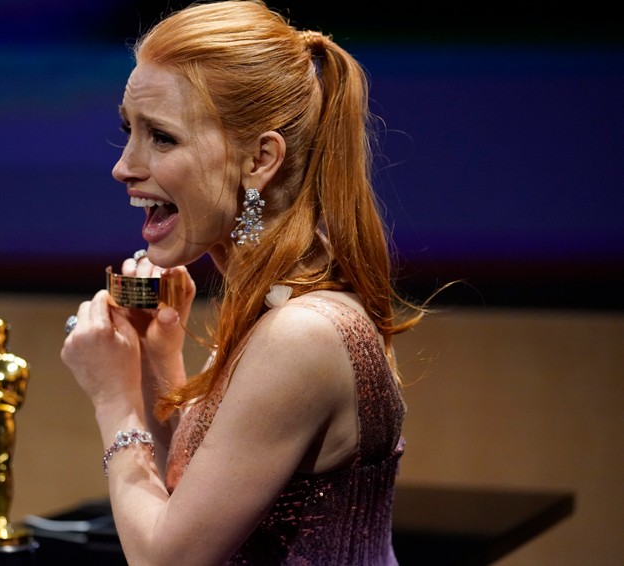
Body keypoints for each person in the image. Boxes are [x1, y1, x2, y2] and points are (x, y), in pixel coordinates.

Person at [60, 1, 430, 564]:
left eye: (162, 137)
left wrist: (114, 399)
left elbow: (168, 559)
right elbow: (198, 496)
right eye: (128, 130)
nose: (124, 166)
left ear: (259, 159)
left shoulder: (301, 334)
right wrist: (158, 364)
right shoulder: (279, 300)